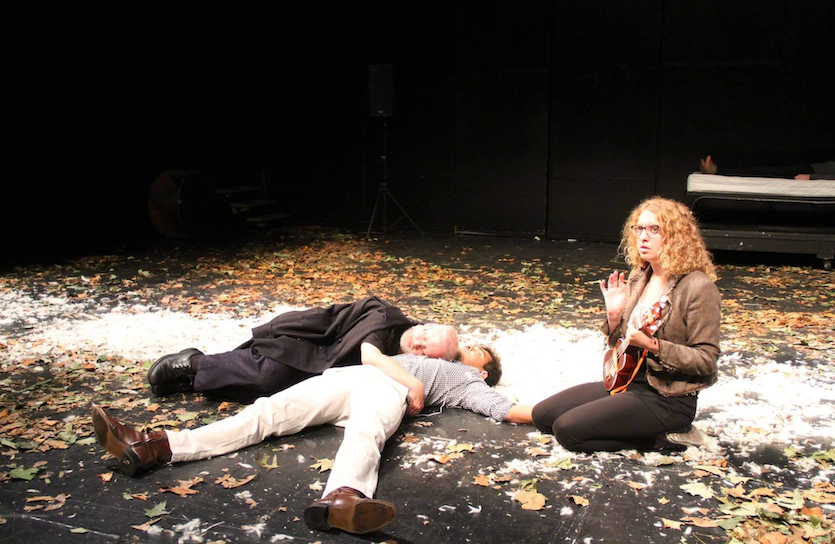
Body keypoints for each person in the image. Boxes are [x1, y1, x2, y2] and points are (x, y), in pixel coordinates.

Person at [92, 346, 532, 535]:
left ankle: (343, 499)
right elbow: (369, 354)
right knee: (266, 413)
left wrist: (576, 409)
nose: (467, 349)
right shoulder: (417, 356)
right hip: (358, 375)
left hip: (384, 390)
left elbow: (506, 410)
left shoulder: (467, 381)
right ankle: (153, 444)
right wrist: (409, 377)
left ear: (482, 370)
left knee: (367, 433)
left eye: (479, 352)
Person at [532, 197, 721, 453]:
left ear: (676, 236)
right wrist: (613, 317)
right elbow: (623, 345)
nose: (644, 236)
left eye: (654, 229)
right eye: (639, 228)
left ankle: (666, 438)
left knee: (568, 431)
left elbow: (706, 360)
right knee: (543, 416)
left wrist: (654, 346)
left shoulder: (697, 287)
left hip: (668, 399)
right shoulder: (639, 277)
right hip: (628, 382)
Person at [148, 296, 458, 410]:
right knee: (265, 376)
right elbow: (368, 354)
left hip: (315, 366)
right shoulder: (389, 318)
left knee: (270, 392)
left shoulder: (401, 349)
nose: (417, 345)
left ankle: (195, 381)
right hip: (305, 344)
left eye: (423, 351)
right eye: (423, 337)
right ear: (425, 325)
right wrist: (413, 384)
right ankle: (194, 361)